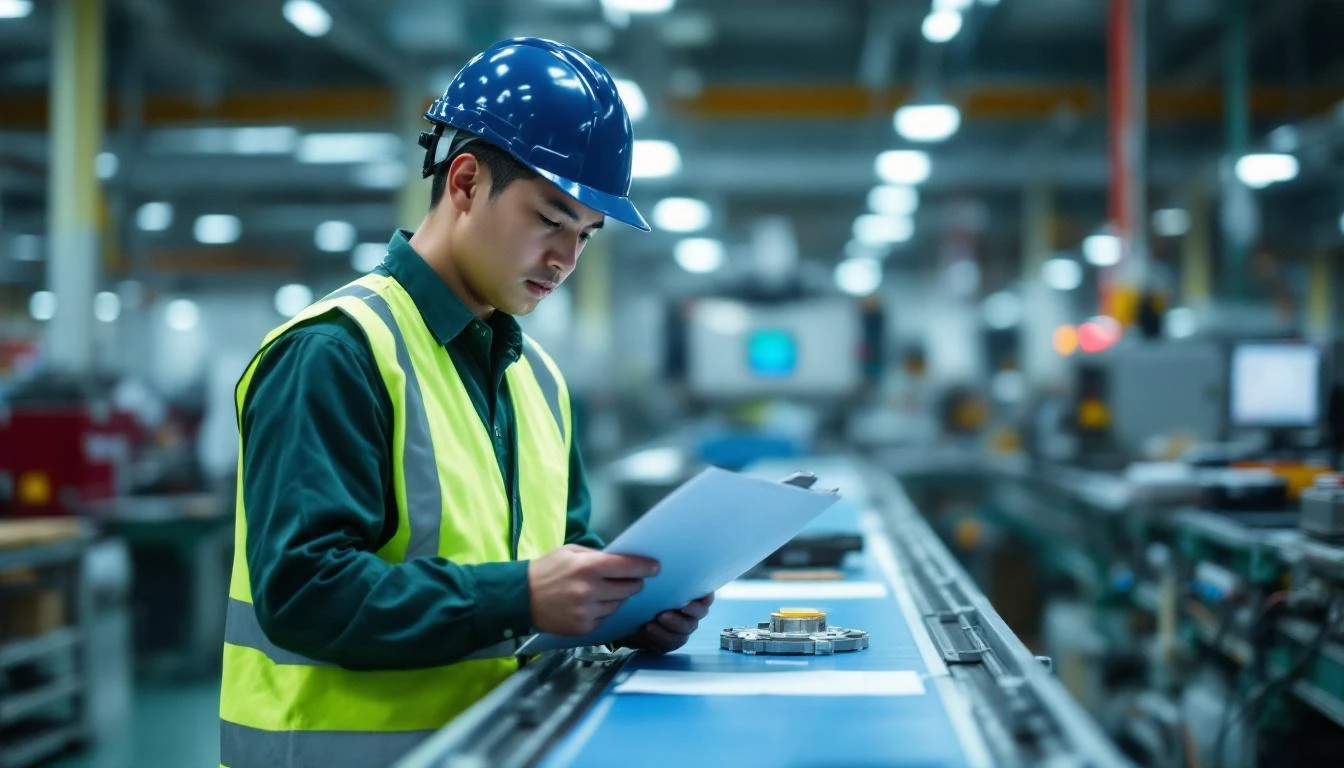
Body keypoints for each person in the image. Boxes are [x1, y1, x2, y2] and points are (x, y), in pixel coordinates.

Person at [218, 37, 714, 768]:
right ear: (465, 182)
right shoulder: (336, 352)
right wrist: (520, 597)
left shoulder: (536, 377)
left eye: (585, 234)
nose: (566, 259)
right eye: (550, 219)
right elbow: (303, 592)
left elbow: (557, 558)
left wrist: (622, 607)